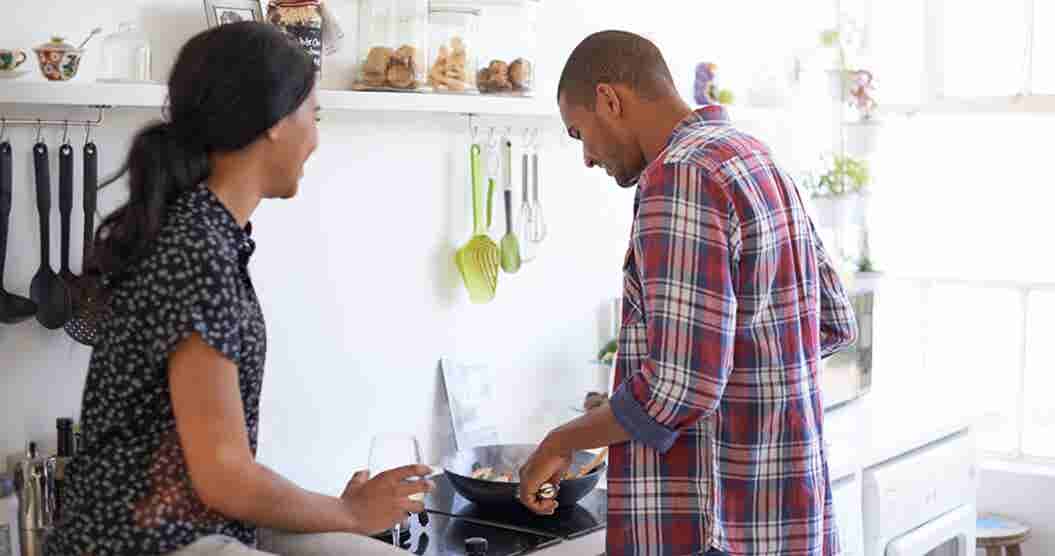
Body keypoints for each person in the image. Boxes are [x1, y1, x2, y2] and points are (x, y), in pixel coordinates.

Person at [45, 22, 430, 556]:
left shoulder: (205, 235)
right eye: (312, 116)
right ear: (274, 120)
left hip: (179, 526)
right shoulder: (197, 249)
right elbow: (224, 475)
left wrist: (341, 514)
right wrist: (348, 513)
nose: (315, 139)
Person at [517, 31, 859, 556]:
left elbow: (680, 390)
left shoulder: (681, 176)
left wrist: (561, 440)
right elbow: (832, 322)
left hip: (715, 528)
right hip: (786, 517)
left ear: (610, 99)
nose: (586, 157)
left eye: (579, 132)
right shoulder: (751, 157)